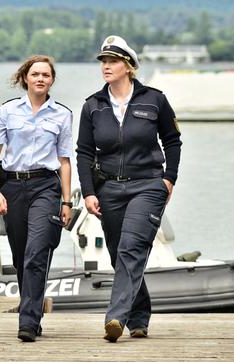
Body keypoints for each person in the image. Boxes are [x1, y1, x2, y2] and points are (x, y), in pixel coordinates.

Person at [76, 35, 182, 342]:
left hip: (148, 186)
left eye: (112, 61)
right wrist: (89, 192)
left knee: (131, 248)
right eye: (103, 62)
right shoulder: (92, 106)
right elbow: (84, 152)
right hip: (108, 189)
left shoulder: (154, 99)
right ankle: (139, 318)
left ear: (128, 66)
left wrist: (168, 178)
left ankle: (116, 318)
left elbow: (172, 141)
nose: (106, 67)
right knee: (118, 253)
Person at [0, 55, 73, 342]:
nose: (40, 79)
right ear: (25, 77)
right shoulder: (7, 111)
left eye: (46, 75)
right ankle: (33, 315)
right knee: (21, 254)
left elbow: (64, 161)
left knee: (37, 252)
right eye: (35, 74)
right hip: (12, 187)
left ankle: (27, 321)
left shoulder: (62, 114)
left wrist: (66, 201)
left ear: (52, 80)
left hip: (46, 187)